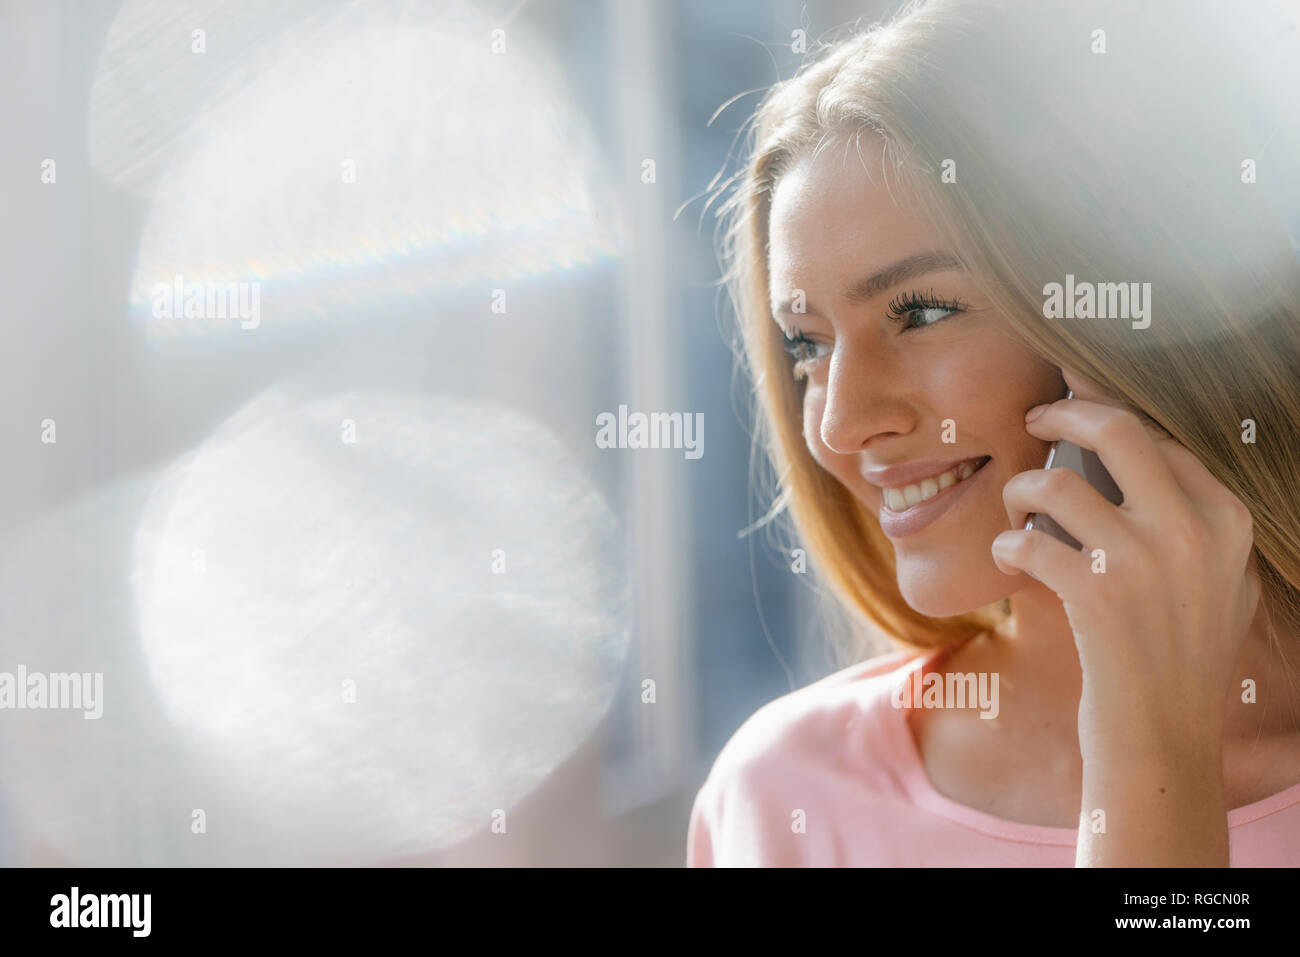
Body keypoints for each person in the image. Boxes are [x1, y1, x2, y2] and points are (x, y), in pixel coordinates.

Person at [688, 0, 1300, 866]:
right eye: (808, 343)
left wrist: (1152, 750)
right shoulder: (782, 795)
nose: (840, 422)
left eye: (923, 310)